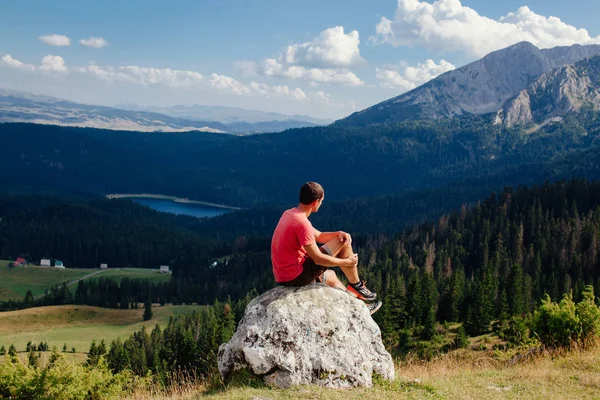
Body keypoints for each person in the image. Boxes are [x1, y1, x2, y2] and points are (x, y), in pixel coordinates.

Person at [271, 181, 381, 314]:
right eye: (322, 201)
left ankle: (358, 307)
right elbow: (318, 259)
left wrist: (338, 233)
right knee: (343, 243)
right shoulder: (302, 223)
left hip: (284, 275)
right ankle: (357, 285)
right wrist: (346, 262)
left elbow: (319, 235)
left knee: (331, 276)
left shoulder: (290, 214)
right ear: (315, 202)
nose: (321, 204)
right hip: (296, 276)